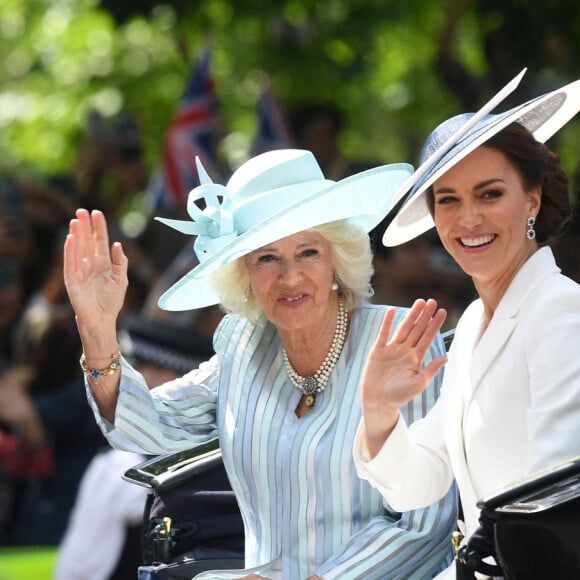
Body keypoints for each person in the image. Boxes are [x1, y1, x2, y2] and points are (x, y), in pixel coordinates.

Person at [62, 149, 458, 579]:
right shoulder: (244, 347)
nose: (289, 277)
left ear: (337, 260)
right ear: (243, 275)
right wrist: (98, 327)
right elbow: (147, 425)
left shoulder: (402, 340)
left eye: (308, 252)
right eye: (266, 258)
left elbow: (424, 525)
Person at [354, 71, 580, 579]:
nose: (468, 219)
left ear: (533, 199)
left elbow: (555, 500)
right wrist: (379, 410)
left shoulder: (561, 310)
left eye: (490, 194)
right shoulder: (475, 321)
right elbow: (421, 483)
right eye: (448, 200)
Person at [54, 314, 217, 580]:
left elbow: (79, 569)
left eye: (136, 371)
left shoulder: (119, 466)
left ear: (167, 379)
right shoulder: (231, 457)